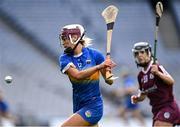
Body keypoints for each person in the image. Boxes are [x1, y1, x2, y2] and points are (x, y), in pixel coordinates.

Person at [58, 24, 116, 126]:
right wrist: (99, 66)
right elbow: (78, 76)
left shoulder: (95, 55)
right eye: (62, 39)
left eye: (65, 39)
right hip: (78, 105)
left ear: (75, 38)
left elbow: (109, 81)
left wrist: (108, 71)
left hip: (93, 106)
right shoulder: (64, 58)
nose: (63, 43)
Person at [131, 42, 180, 127]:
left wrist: (157, 73)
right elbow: (143, 94)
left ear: (149, 53)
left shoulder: (157, 67)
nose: (139, 55)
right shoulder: (140, 76)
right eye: (136, 53)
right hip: (156, 111)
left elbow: (171, 81)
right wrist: (137, 98)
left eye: (142, 52)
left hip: (168, 107)